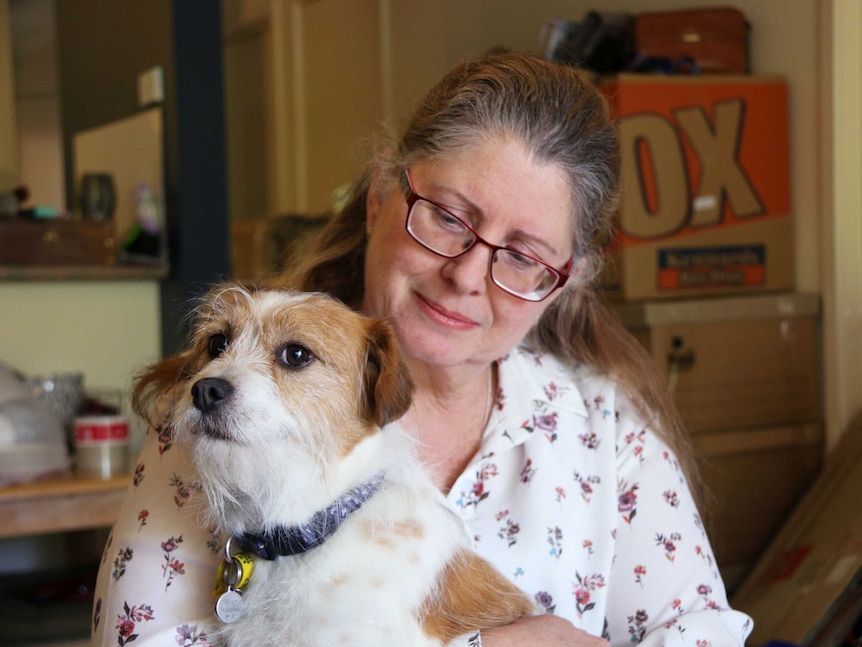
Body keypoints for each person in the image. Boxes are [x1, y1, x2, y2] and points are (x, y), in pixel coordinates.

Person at [92, 51, 753, 646]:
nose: (466, 275)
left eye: (522, 255)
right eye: (449, 216)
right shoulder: (220, 410)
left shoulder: (607, 431)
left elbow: (701, 632)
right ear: (382, 194)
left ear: (564, 281)